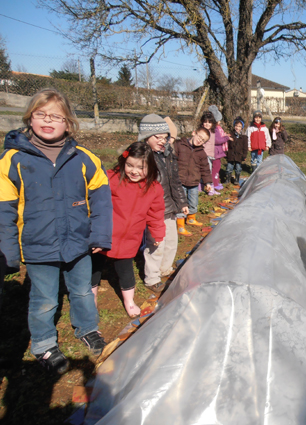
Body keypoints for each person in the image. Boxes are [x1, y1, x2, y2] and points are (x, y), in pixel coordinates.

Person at [0, 88, 111, 374]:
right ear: (30, 118)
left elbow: (101, 199)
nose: (48, 120)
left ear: (68, 123)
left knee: (83, 291)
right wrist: (7, 253)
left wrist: (99, 235)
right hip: (38, 244)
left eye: (56, 116)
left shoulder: (84, 158)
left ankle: (88, 328)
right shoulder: (13, 160)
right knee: (45, 298)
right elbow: (4, 209)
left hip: (78, 242)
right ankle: (43, 344)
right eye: (41, 114)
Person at [91, 142, 165, 318]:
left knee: (126, 271)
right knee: (93, 268)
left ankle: (129, 301)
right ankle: (90, 299)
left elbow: (156, 214)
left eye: (141, 167)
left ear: (150, 167)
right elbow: (94, 199)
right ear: (123, 162)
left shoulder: (153, 188)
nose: (134, 171)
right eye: (130, 165)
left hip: (129, 239)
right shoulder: (111, 179)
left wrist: (157, 233)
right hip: (104, 235)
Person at [139, 114, 189, 293]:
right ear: (146, 137)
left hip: (170, 207)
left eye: (165, 137)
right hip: (154, 209)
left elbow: (175, 181)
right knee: (156, 244)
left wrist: (182, 202)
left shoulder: (168, 155)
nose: (162, 141)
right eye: (157, 137)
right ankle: (152, 278)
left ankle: (165, 268)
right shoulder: (143, 158)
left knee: (171, 242)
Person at [174, 127, 213, 231]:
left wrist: (208, 182)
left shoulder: (201, 153)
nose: (200, 140)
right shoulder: (179, 145)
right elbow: (172, 160)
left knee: (193, 202)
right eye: (199, 137)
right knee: (181, 202)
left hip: (194, 182)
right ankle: (180, 224)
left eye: (203, 140)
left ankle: (191, 218)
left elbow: (205, 168)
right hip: (180, 181)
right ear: (194, 133)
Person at [200, 107, 231, 195]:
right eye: (205, 122)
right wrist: (226, 138)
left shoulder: (213, 130)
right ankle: (209, 187)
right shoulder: (208, 131)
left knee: (209, 170)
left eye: (209, 122)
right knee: (208, 171)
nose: (207, 124)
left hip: (210, 154)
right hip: (207, 154)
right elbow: (217, 140)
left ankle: (210, 186)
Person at [226, 116, 249, 186]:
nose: (237, 128)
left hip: (239, 155)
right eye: (236, 126)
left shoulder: (244, 137)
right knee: (229, 167)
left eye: (239, 126)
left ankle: (237, 179)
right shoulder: (231, 135)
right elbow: (227, 144)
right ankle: (228, 179)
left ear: (242, 127)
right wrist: (226, 153)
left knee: (238, 168)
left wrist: (244, 155)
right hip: (231, 154)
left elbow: (245, 147)